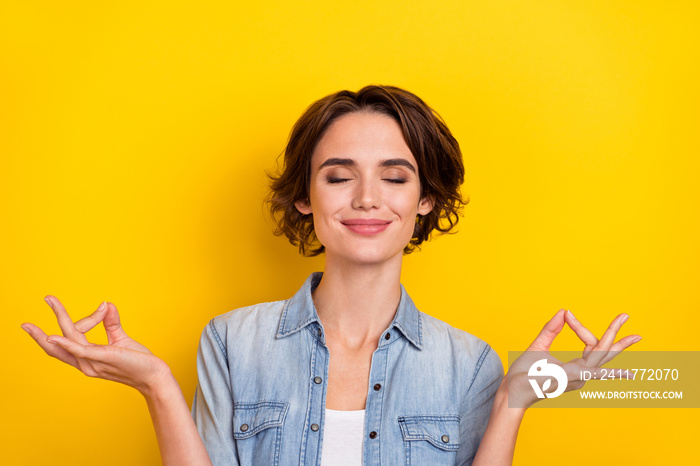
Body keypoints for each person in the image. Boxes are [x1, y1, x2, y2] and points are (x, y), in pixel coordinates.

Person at [22, 85, 641, 465]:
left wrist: (513, 401)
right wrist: (156, 383)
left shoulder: (471, 363)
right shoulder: (233, 342)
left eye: (396, 177)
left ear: (425, 199)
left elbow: (667, 385)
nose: (368, 198)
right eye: (339, 175)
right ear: (305, 197)